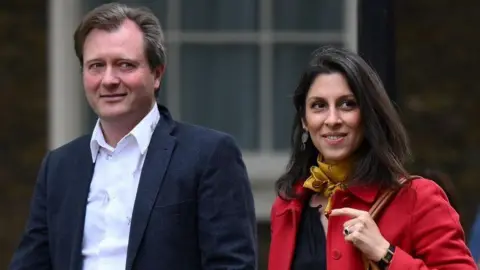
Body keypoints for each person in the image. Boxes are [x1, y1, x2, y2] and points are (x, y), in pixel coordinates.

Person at [10, 3, 257, 270]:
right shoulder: (59, 166)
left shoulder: (210, 155)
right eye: (96, 66)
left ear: (157, 73)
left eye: (124, 65)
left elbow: (232, 265)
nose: (108, 79)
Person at [268, 46, 476, 269]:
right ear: (304, 120)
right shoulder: (288, 205)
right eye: (318, 106)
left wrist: (385, 253)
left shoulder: (418, 199)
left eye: (347, 104)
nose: (332, 119)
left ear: (368, 114)